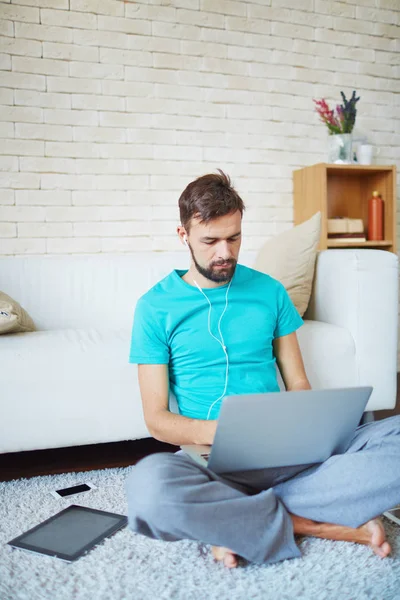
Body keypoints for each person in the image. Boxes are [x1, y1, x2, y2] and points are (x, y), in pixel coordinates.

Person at [125, 170, 399, 568]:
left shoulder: (269, 291)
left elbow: (298, 381)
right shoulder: (154, 307)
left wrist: (305, 427)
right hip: (211, 464)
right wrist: (226, 432)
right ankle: (313, 523)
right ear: (183, 235)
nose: (225, 252)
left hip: (289, 455)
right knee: (149, 491)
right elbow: (157, 420)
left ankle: (230, 520)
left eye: (234, 238)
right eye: (210, 241)